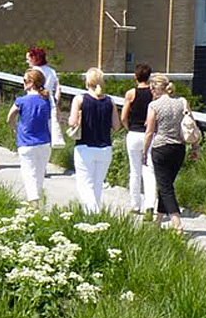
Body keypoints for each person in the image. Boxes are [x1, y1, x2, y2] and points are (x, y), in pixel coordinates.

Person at [140, 72, 199, 233]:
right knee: (166, 184)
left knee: (165, 187)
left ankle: (177, 224)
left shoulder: (154, 106)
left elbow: (149, 132)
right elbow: (191, 125)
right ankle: (158, 221)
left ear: (154, 88)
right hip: (179, 148)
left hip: (161, 148)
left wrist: (144, 152)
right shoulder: (182, 102)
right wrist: (195, 147)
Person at [68, 67, 118, 213]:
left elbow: (72, 122)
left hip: (85, 147)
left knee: (84, 185)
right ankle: (92, 217)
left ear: (87, 81)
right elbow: (116, 126)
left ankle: (94, 213)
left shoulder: (80, 99)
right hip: (105, 148)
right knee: (97, 186)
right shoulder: (110, 101)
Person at [6, 68, 56, 205]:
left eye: (24, 80)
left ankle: (33, 203)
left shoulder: (21, 101)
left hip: (26, 142)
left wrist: (15, 128)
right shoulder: (46, 100)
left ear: (31, 83)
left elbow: (9, 118)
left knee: (29, 175)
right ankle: (38, 201)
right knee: (39, 176)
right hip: (44, 142)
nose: (23, 83)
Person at [121, 64, 157, 218]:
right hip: (150, 134)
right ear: (149, 77)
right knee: (149, 171)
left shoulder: (131, 93)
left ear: (135, 77)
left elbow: (123, 116)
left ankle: (135, 205)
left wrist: (128, 128)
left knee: (134, 171)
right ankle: (150, 205)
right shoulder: (154, 94)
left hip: (134, 133)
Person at [24, 46, 64, 172]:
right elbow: (58, 88)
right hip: (49, 101)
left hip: (34, 101)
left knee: (32, 130)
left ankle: (34, 163)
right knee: (47, 131)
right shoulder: (51, 71)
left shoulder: (32, 72)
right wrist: (56, 102)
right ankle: (44, 164)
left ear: (34, 58)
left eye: (28, 58)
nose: (27, 61)